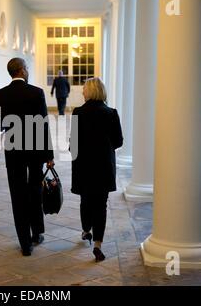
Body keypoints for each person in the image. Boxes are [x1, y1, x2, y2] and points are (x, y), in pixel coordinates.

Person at [0, 58, 55, 257]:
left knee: (17, 194)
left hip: (14, 152)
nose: (28, 71)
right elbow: (43, 125)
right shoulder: (36, 93)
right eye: (26, 68)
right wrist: (49, 155)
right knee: (35, 190)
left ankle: (25, 244)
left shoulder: (0, 95)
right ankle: (36, 233)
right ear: (22, 70)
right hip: (35, 150)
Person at [70, 77, 123, 262]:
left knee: (86, 200)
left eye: (84, 89)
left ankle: (86, 231)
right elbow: (119, 141)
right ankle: (98, 244)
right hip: (103, 166)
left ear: (90, 92)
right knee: (101, 204)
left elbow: (73, 145)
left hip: (83, 166)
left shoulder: (78, 113)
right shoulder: (111, 113)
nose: (82, 92)